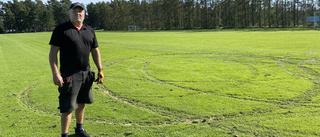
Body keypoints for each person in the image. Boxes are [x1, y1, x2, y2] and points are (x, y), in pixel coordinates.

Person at [49, 2, 104, 137]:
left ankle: (79, 129)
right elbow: (53, 53)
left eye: (80, 11)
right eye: (75, 11)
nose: (78, 13)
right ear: (70, 13)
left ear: (84, 13)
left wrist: (100, 69)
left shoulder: (89, 30)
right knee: (67, 108)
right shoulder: (61, 29)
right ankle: (64, 135)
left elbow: (95, 51)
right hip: (69, 75)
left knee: (82, 102)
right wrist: (56, 74)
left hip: (86, 73)